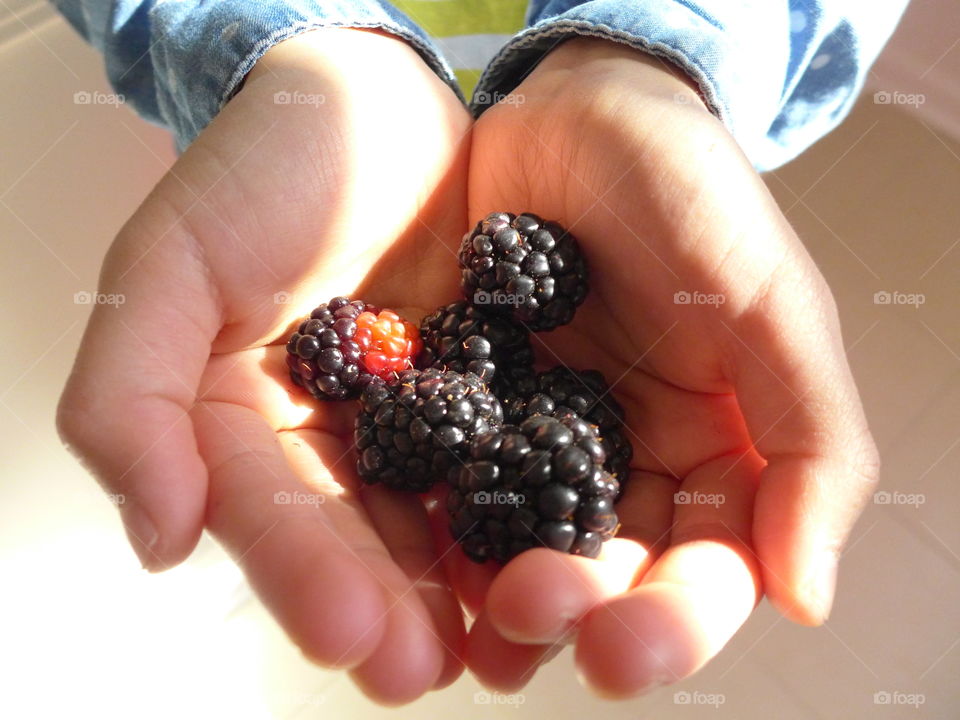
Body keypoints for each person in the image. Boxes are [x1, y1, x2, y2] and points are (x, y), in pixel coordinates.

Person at [53, 0, 907, 705]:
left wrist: (657, 53)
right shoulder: (459, 374)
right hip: (254, 140)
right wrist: (286, 48)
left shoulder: (518, 389)